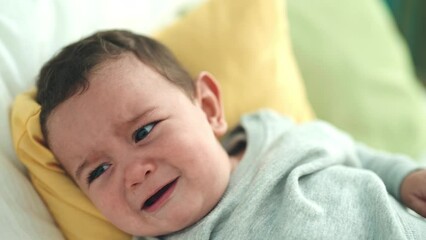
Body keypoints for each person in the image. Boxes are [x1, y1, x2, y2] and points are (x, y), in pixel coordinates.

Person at [36, 30, 426, 239]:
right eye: (98, 171)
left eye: (143, 131)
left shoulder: (274, 133)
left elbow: (350, 151)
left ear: (208, 108)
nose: (134, 173)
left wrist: (403, 177)